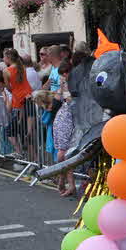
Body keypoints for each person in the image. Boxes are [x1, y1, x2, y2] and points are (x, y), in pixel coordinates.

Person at [51, 61, 76, 196]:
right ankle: (67, 182)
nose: (63, 76)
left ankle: (64, 180)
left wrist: (65, 89)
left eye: (64, 74)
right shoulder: (65, 84)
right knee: (62, 153)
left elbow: (72, 101)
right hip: (63, 118)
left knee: (64, 153)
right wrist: (61, 88)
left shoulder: (76, 84)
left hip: (71, 118)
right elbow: (56, 101)